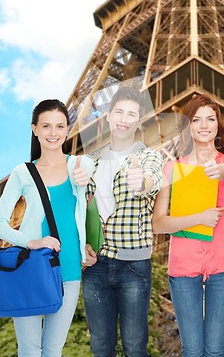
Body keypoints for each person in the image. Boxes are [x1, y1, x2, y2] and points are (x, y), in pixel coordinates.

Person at [0, 99, 95, 357]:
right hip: (32, 266)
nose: (53, 133)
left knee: (53, 351)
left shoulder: (80, 165)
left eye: (60, 126)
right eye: (46, 126)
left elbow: (88, 174)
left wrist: (86, 246)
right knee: (29, 350)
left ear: (67, 130)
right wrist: (31, 242)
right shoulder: (23, 172)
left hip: (70, 267)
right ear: (34, 129)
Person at [152, 94, 224, 357]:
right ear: (188, 125)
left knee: (215, 350)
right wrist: (199, 218)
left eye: (210, 119)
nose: (204, 125)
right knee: (192, 349)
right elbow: (158, 222)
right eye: (196, 119)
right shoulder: (171, 169)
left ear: (218, 124)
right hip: (183, 267)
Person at [82, 87, 164, 357]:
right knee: (100, 347)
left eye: (132, 114)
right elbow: (78, 210)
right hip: (95, 265)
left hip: (133, 265)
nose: (124, 119)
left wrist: (143, 182)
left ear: (139, 121)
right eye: (119, 112)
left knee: (135, 347)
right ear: (107, 115)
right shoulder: (89, 162)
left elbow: (154, 180)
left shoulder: (148, 156)